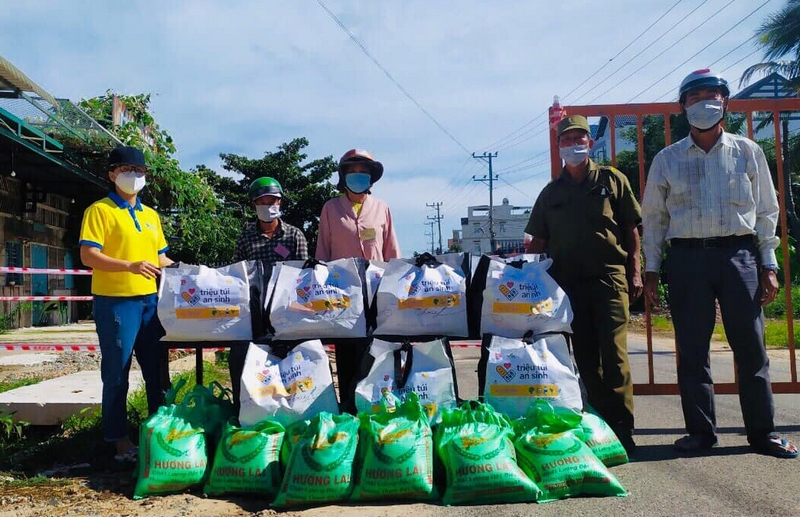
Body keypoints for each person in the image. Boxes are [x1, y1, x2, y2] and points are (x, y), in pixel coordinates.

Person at [642, 69, 798, 459]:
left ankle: (763, 432)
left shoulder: (748, 151)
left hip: (738, 256)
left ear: (725, 102)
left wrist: (768, 264)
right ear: (683, 106)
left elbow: (767, 210)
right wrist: (651, 268)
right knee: (692, 349)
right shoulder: (667, 159)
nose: (704, 103)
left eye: (712, 95)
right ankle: (700, 433)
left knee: (751, 347)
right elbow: (655, 218)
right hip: (686, 258)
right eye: (695, 97)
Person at [525, 115, 642, 453]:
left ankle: (622, 428)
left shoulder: (612, 180)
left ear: (589, 143)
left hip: (609, 279)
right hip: (568, 285)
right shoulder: (551, 193)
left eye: (579, 138)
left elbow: (631, 229)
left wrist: (635, 270)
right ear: (559, 147)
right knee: (587, 360)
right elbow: (538, 242)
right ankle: (600, 427)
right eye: (566, 140)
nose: (573, 144)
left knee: (614, 354)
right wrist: (525, 278)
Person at [79, 146, 173, 462]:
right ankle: (119, 440)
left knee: (157, 372)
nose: (134, 175)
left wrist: (188, 271)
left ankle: (160, 432)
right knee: (117, 373)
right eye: (126, 169)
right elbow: (88, 255)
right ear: (112, 174)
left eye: (139, 170)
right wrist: (129, 266)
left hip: (151, 302)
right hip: (116, 302)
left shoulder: (151, 216)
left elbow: (161, 258)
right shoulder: (100, 211)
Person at [316, 148, 401, 412]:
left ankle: (376, 408)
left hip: (377, 294)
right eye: (352, 171)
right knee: (346, 354)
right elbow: (322, 254)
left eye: (363, 171)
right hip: (342, 296)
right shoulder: (331, 209)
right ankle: (349, 409)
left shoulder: (382, 208)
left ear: (371, 177)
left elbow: (392, 252)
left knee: (376, 353)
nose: (357, 176)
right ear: (343, 176)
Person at [229, 177, 309, 408]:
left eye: (272, 201)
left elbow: (304, 276)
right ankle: (245, 408)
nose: (268, 205)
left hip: (289, 310)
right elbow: (238, 276)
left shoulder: (294, 235)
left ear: (280, 202)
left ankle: (297, 408)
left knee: (294, 364)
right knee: (244, 359)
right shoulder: (246, 238)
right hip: (255, 311)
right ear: (254, 205)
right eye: (262, 201)